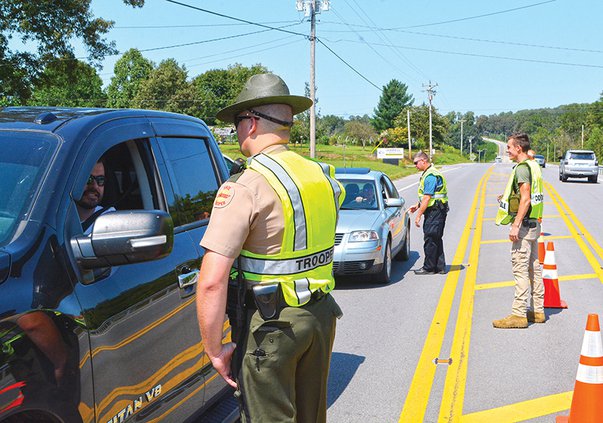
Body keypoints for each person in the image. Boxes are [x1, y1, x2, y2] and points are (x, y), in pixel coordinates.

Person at [196, 73, 344, 423]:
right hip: (320, 317)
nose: (236, 132)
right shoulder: (322, 175)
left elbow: (212, 281)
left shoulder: (246, 185)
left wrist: (214, 349)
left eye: (236, 124)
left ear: (251, 123)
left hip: (272, 325)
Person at [492, 133, 545, 329]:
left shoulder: (522, 169)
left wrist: (515, 224)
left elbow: (526, 198)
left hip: (523, 226)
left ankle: (518, 314)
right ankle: (538, 310)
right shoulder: (533, 165)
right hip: (534, 224)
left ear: (518, 149)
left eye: (509, 147)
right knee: (534, 269)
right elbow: (525, 196)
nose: (507, 150)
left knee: (520, 270)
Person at [409, 151, 449, 275]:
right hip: (437, 209)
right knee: (436, 237)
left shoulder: (430, 176)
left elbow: (427, 197)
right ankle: (440, 267)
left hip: (434, 211)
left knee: (430, 238)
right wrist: (417, 205)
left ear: (423, 161)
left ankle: (429, 267)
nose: (415, 165)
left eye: (416, 163)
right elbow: (428, 197)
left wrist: (419, 215)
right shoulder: (430, 173)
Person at [76, 158, 115, 234]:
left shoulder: (110, 220)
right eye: (88, 179)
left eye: (100, 179)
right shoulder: (53, 218)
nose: (95, 186)